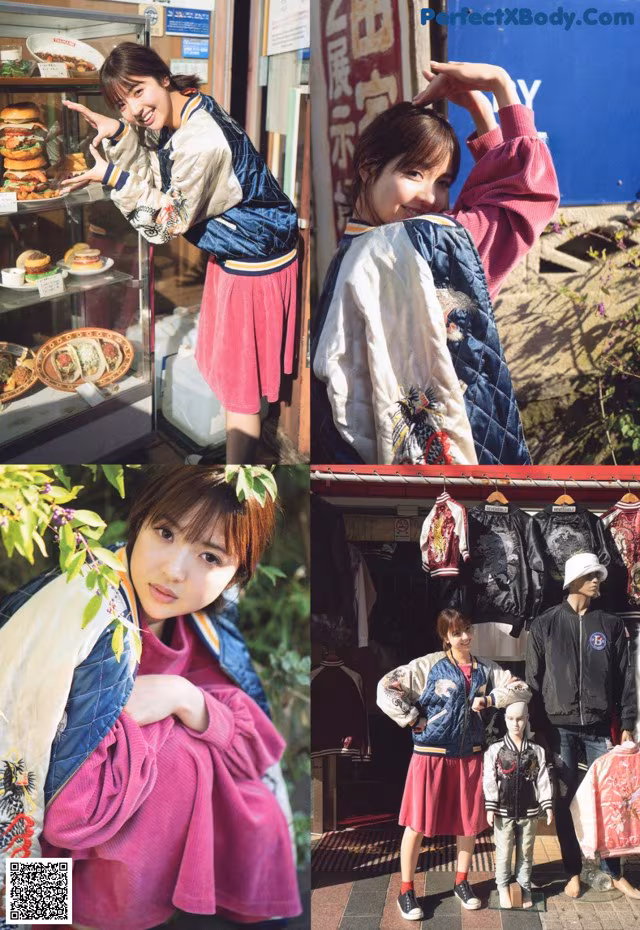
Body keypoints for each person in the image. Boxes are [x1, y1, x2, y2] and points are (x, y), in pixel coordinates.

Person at [0, 466, 301, 929]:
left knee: (257, 810)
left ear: (236, 576)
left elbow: (252, 748)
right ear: (138, 521)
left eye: (209, 557)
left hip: (143, 884)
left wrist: (183, 698)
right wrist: (35, 917)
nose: (173, 571)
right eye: (165, 532)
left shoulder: (203, 624)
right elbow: (37, 786)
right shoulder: (85, 609)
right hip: (72, 875)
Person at [312, 60, 560, 466]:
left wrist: (481, 110)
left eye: (443, 182)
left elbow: (472, 217)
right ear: (369, 169)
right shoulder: (414, 247)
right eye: (413, 173)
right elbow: (526, 196)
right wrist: (499, 89)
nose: (430, 198)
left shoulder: (356, 249)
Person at [61, 43, 299, 465]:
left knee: (238, 382)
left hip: (253, 264)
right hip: (238, 255)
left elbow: (165, 223)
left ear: (164, 77)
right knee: (234, 373)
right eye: (121, 102)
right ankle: (235, 458)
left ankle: (234, 478)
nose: (133, 109)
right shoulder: (185, 108)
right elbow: (155, 173)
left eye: (137, 91)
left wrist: (111, 175)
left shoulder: (202, 140)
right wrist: (119, 134)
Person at [377, 608, 531, 921]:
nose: (465, 636)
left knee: (468, 823)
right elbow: (385, 687)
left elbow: (522, 689)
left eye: (467, 630)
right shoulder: (427, 665)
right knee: (417, 824)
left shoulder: (486, 669)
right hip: (430, 755)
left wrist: (490, 700)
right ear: (445, 636)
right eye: (457, 631)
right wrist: (412, 718)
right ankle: (406, 890)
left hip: (470, 755)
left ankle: (462, 881)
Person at [525, 551, 639, 900]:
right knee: (564, 800)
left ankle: (613, 871)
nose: (597, 581)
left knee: (608, 801)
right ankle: (572, 870)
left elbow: (626, 680)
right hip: (559, 732)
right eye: (591, 575)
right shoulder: (544, 624)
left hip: (599, 728)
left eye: (598, 576)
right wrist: (538, 729)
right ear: (574, 581)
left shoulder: (610, 624)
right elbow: (532, 680)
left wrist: (628, 723)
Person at [483, 700, 553, 909]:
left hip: (529, 809)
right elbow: (489, 778)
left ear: (527, 719)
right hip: (503, 810)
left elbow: (542, 779)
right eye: (511, 719)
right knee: (504, 849)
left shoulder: (536, 751)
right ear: (505, 719)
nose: (516, 724)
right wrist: (490, 806)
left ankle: (524, 885)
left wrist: (547, 805)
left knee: (526, 849)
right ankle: (502, 885)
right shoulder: (495, 750)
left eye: (520, 719)